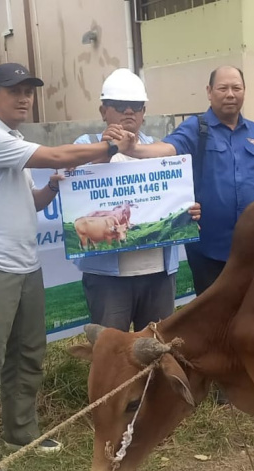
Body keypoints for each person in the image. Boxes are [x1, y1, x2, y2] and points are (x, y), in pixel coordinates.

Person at [0, 62, 135, 471]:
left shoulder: (10, 139)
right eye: (13, 91)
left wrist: (52, 187)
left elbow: (31, 202)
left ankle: (21, 432)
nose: (23, 98)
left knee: (29, 354)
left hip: (24, 264)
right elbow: (54, 154)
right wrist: (108, 147)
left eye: (28, 91)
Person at [120, 66, 254, 296]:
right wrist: (134, 149)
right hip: (209, 249)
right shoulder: (196, 128)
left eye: (236, 88)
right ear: (209, 92)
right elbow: (168, 148)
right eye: (223, 88)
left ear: (244, 91)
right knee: (213, 313)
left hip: (253, 248)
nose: (230, 94)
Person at [72, 68, 200, 332]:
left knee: (156, 346)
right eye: (120, 105)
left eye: (136, 106)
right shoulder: (85, 143)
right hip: (108, 279)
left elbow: (174, 198)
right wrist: (106, 149)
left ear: (144, 112)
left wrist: (187, 211)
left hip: (158, 273)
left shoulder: (158, 149)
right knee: (110, 348)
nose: (129, 111)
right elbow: (73, 188)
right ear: (103, 111)